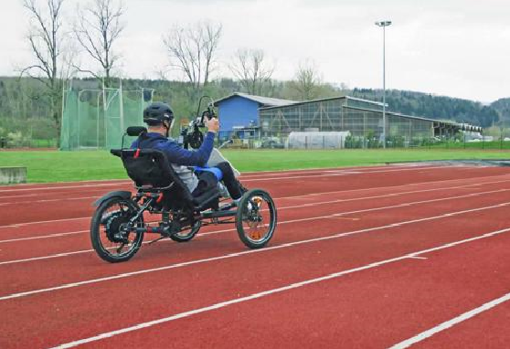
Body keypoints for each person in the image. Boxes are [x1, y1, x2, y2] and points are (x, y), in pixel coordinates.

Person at [131, 102, 245, 201]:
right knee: (224, 167)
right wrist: (211, 132)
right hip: (188, 192)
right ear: (166, 123)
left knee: (197, 170)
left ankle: (226, 191)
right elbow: (200, 159)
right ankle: (242, 203)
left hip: (156, 190)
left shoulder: (136, 145)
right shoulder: (167, 147)